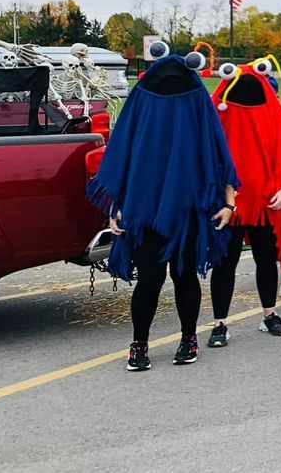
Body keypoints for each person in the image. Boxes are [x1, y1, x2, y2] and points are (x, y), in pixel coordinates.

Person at [87, 42, 237, 371]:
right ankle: (141, 343)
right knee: (154, 280)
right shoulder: (157, 97)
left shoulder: (183, 98)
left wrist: (229, 202)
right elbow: (124, 155)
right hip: (149, 207)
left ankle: (186, 339)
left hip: (184, 207)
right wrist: (116, 206)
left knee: (179, 279)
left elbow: (217, 153)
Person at [206, 58, 281, 346]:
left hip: (266, 200)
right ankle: (220, 323)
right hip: (230, 203)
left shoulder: (271, 114)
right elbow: (207, 158)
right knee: (225, 263)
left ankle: (270, 314)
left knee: (265, 259)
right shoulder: (219, 115)